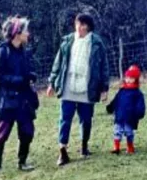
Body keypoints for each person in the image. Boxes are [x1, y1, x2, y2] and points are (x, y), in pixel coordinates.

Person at [47, 13, 110, 166]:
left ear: (89, 27)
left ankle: (84, 146)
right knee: (65, 119)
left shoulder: (97, 43)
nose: (79, 27)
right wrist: (51, 83)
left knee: (86, 119)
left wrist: (104, 88)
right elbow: (58, 63)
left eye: (83, 24)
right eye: (78, 24)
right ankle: (62, 151)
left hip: (87, 87)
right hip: (68, 85)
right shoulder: (67, 41)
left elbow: (104, 67)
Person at [0, 16, 39, 176]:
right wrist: (19, 80)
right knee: (2, 133)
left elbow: (23, 72)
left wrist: (29, 75)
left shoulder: (24, 52)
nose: (28, 33)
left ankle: (22, 162)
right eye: (25, 30)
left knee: (27, 131)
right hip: (6, 100)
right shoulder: (2, 52)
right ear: (17, 33)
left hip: (24, 100)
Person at [106, 65, 146, 154]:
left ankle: (130, 147)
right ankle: (116, 148)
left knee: (129, 132)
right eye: (127, 77)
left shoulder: (137, 93)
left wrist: (139, 113)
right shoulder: (122, 91)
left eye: (131, 78)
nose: (128, 79)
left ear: (136, 79)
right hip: (119, 116)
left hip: (130, 118)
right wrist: (110, 107)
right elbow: (116, 100)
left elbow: (140, 106)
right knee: (117, 131)